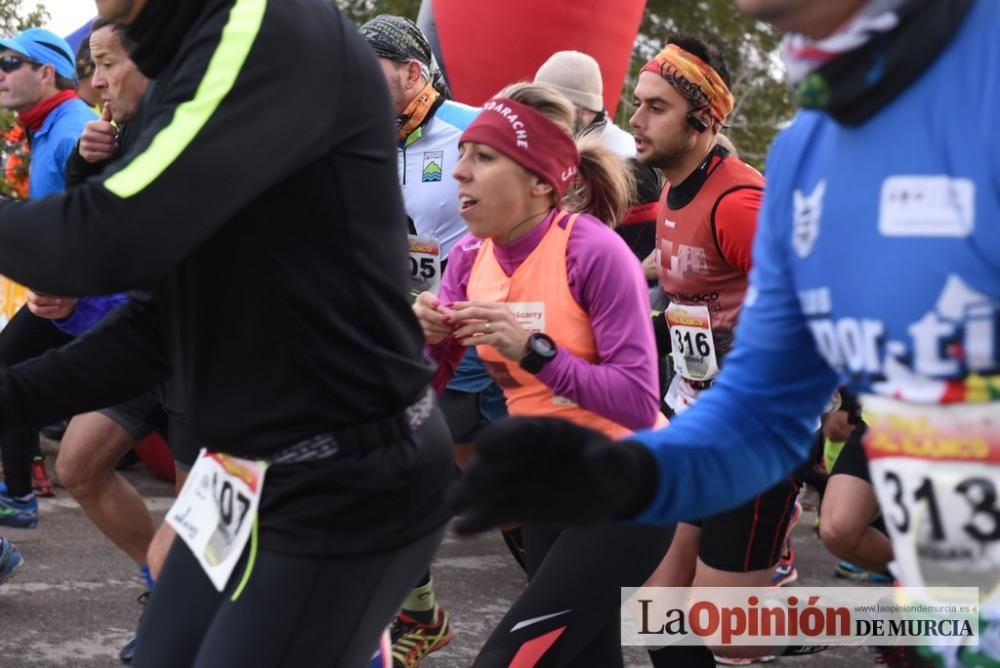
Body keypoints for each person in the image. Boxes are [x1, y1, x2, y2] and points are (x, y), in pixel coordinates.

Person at [452, 0, 999, 666]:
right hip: (958, 587)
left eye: (658, 105)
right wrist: (615, 472)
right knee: (679, 622)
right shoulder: (811, 149)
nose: (638, 118)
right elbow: (764, 408)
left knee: (713, 624)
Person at [0, 0, 455, 665]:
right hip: (241, 469)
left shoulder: (260, 26)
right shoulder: (186, 62)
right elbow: (159, 325)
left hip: (344, 471)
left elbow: (104, 237)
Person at [416, 81, 672, 666]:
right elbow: (428, 393)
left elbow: (637, 400)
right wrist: (423, 340)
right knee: (585, 657)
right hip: (547, 483)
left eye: (483, 157)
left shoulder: (593, 251)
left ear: (539, 181)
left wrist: (536, 353)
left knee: (512, 658)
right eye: (462, 155)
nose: (459, 173)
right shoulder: (466, 261)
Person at [627, 36, 801, 666]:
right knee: (653, 610)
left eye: (656, 108)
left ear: (703, 120)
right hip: (695, 418)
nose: (635, 120)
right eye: (638, 103)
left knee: (727, 637)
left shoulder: (737, 202)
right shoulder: (675, 191)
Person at [360, 16, 491, 667]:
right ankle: (420, 616)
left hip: (483, 332)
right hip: (411, 341)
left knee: (499, 490)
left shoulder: (471, 126)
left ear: (413, 72)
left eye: (371, 70)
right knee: (399, 471)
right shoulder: (362, 137)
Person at [0, 27, 98, 529]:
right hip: (65, 296)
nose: (0, 72)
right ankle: (18, 489)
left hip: (101, 303)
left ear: (45, 72)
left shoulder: (72, 129)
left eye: (10, 61)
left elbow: (111, 219)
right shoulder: (45, 126)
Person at [533, 49, 662, 273]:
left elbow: (640, 260)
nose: (535, 121)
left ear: (583, 112)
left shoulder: (629, 165)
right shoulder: (553, 147)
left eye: (547, 110)